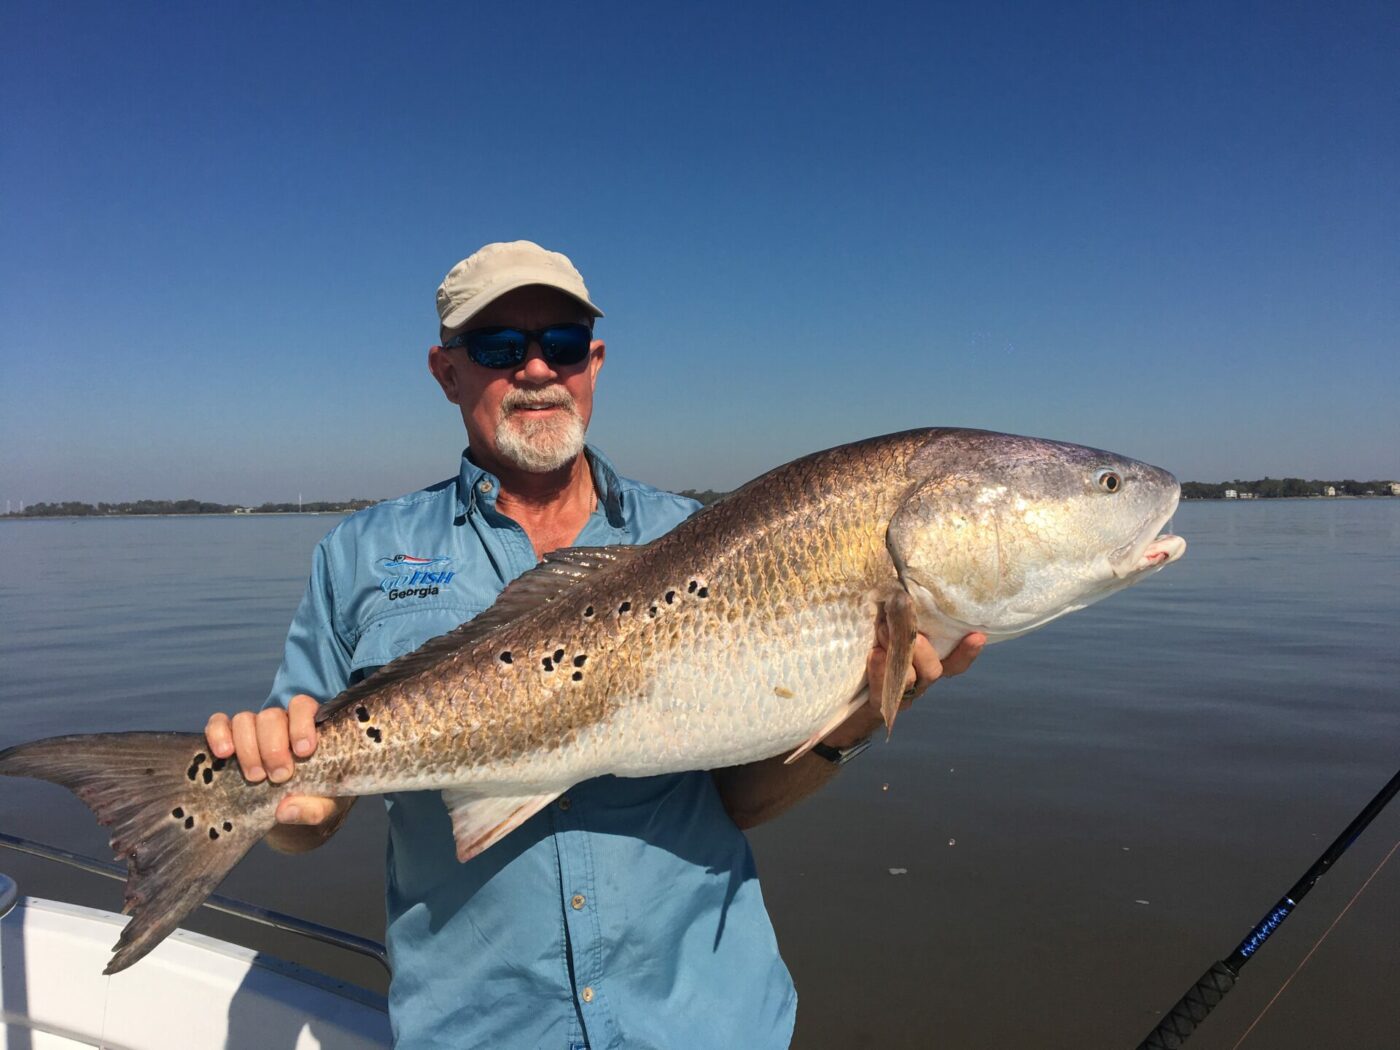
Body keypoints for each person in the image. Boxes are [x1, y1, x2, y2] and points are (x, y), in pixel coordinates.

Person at [204, 240, 984, 1049]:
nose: (538, 369)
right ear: (447, 372)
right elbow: (305, 816)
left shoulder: (701, 538)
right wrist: (289, 801)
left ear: (596, 362)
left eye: (563, 344)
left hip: (706, 1025)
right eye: (500, 348)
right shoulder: (358, 554)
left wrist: (861, 714)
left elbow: (735, 804)